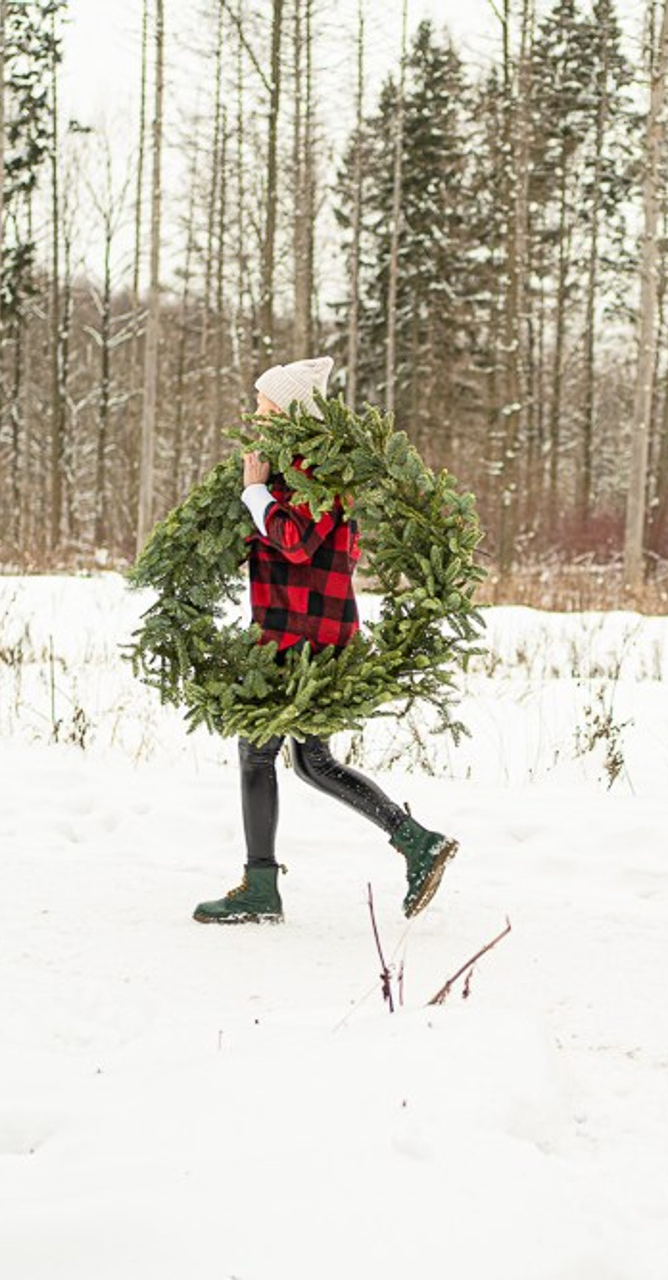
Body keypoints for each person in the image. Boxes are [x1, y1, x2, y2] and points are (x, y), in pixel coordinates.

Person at [193, 356, 458, 925]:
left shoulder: (320, 473)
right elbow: (269, 546)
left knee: (262, 750)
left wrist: (255, 493)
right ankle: (413, 841)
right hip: (288, 629)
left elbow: (293, 542)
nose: (254, 416)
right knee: (309, 760)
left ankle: (263, 887)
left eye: (264, 407)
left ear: (289, 412)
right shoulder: (291, 469)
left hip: (305, 636)